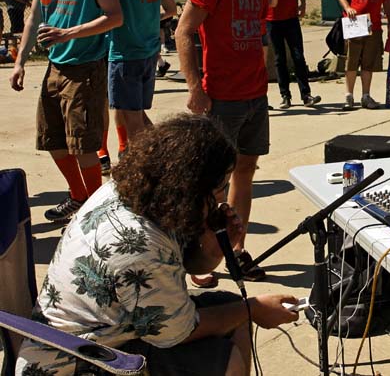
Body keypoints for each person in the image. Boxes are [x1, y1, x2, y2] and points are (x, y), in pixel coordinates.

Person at [15, 114, 300, 376]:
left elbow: (182, 268)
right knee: (223, 359)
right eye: (218, 187)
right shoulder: (136, 242)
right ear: (189, 185)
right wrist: (253, 309)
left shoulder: (141, 194)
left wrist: (212, 248)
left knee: (231, 312)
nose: (222, 195)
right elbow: (177, 332)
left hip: (113, 333)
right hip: (76, 363)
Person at [175, 0, 277, 286]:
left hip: (254, 96)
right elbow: (183, 31)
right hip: (221, 98)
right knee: (211, 184)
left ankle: (235, 251)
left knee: (245, 174)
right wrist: (195, 87)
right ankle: (201, 259)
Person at [9, 0, 122, 223]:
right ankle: (79, 197)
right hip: (54, 66)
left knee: (84, 145)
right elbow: (34, 17)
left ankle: (98, 213)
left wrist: (68, 33)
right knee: (53, 140)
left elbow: (114, 17)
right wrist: (19, 62)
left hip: (86, 68)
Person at [104, 0, 177, 139]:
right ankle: (163, 151)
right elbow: (171, 8)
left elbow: (109, 16)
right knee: (136, 114)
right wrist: (147, 20)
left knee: (132, 121)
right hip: (149, 52)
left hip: (124, 53)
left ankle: (151, 164)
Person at [260, 0, 321, 109]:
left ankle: (306, 94)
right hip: (273, 19)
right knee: (279, 58)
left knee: (298, 56)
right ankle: (285, 95)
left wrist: (302, 4)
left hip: (290, 17)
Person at [335, 0, 390, 110]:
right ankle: (349, 96)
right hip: (355, 23)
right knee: (352, 61)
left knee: (369, 63)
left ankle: (365, 96)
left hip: (373, 25)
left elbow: (387, 0)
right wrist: (348, 7)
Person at [89, 0, 127, 175]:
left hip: (122, 45)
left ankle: (124, 147)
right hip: (97, 46)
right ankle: (102, 151)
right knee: (103, 101)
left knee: (121, 103)